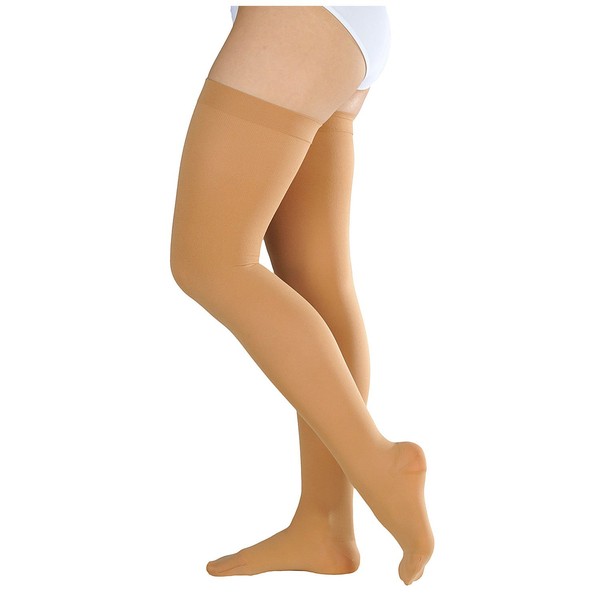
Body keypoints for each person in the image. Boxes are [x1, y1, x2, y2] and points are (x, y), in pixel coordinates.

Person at [169, 5, 434, 586]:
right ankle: (325, 523)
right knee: (314, 276)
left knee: (209, 262)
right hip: (336, 27)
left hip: (297, 19)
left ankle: (379, 465)